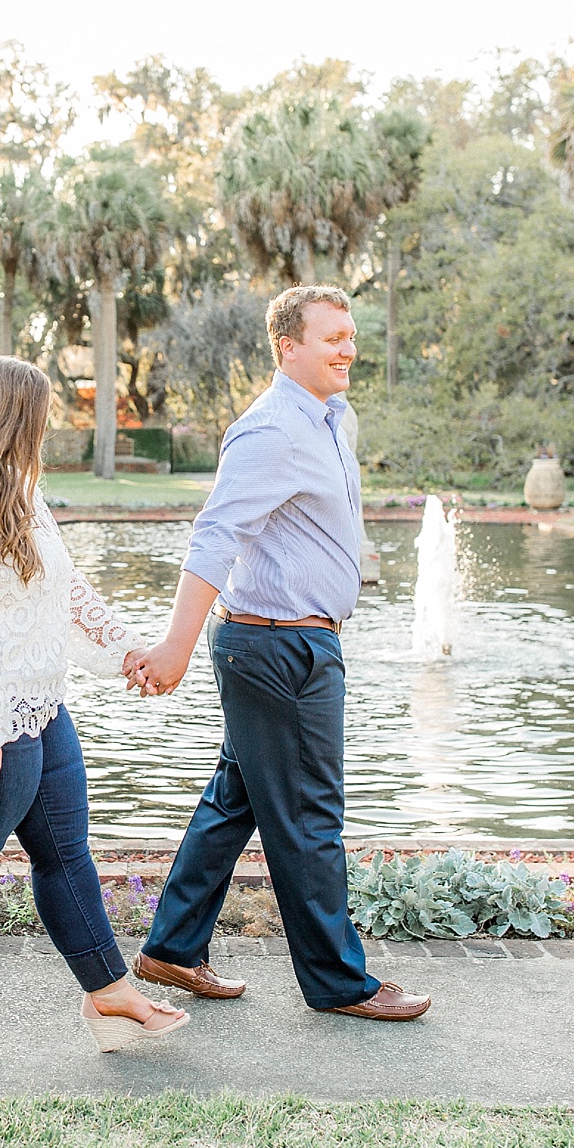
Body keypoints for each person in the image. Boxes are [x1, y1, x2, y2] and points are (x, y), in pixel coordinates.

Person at [125, 285, 431, 1022]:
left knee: (237, 800)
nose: (349, 348)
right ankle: (338, 984)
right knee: (309, 817)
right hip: (279, 647)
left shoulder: (333, 419)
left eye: (352, 334)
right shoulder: (269, 430)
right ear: (287, 346)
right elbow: (215, 534)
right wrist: (176, 644)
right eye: (333, 337)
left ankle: (172, 946)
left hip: (293, 641)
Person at [0, 355, 188, 1062]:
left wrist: (128, 651)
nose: (48, 427)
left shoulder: (17, 489)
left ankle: (110, 993)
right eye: (40, 414)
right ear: (10, 417)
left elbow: (65, 592)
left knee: (63, 850)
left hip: (30, 699)